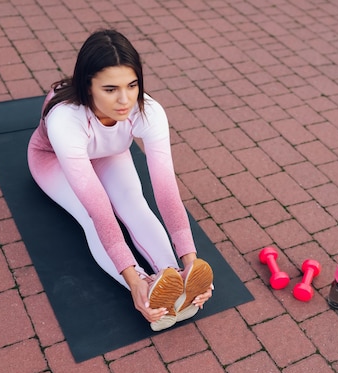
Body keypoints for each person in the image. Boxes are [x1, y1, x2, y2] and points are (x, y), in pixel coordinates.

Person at [27, 29, 213, 331]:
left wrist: (190, 262)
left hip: (108, 154)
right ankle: (143, 287)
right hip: (53, 160)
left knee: (136, 205)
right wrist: (132, 279)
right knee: (93, 216)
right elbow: (101, 212)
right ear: (88, 88)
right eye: (110, 89)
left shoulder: (148, 110)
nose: (125, 100)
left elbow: (167, 193)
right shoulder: (65, 119)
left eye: (132, 85)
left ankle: (174, 279)